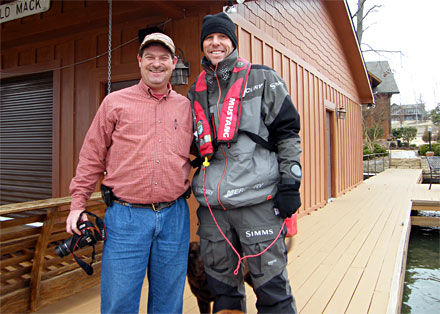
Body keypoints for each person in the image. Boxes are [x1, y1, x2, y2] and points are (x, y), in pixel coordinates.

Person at [66, 32, 193, 314]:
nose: (156, 64)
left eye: (163, 58)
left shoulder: (185, 107)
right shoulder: (115, 102)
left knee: (169, 305)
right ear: (139, 61)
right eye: (149, 57)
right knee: (119, 304)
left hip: (175, 217)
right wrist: (78, 204)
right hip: (126, 218)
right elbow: (91, 156)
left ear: (174, 63)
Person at [188, 12, 302, 314]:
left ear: (232, 42)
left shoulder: (263, 78)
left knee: (273, 295)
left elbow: (288, 132)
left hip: (258, 205)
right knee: (224, 297)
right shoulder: (195, 92)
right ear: (203, 45)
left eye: (222, 37)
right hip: (214, 212)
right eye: (209, 38)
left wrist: (291, 184)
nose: (215, 43)